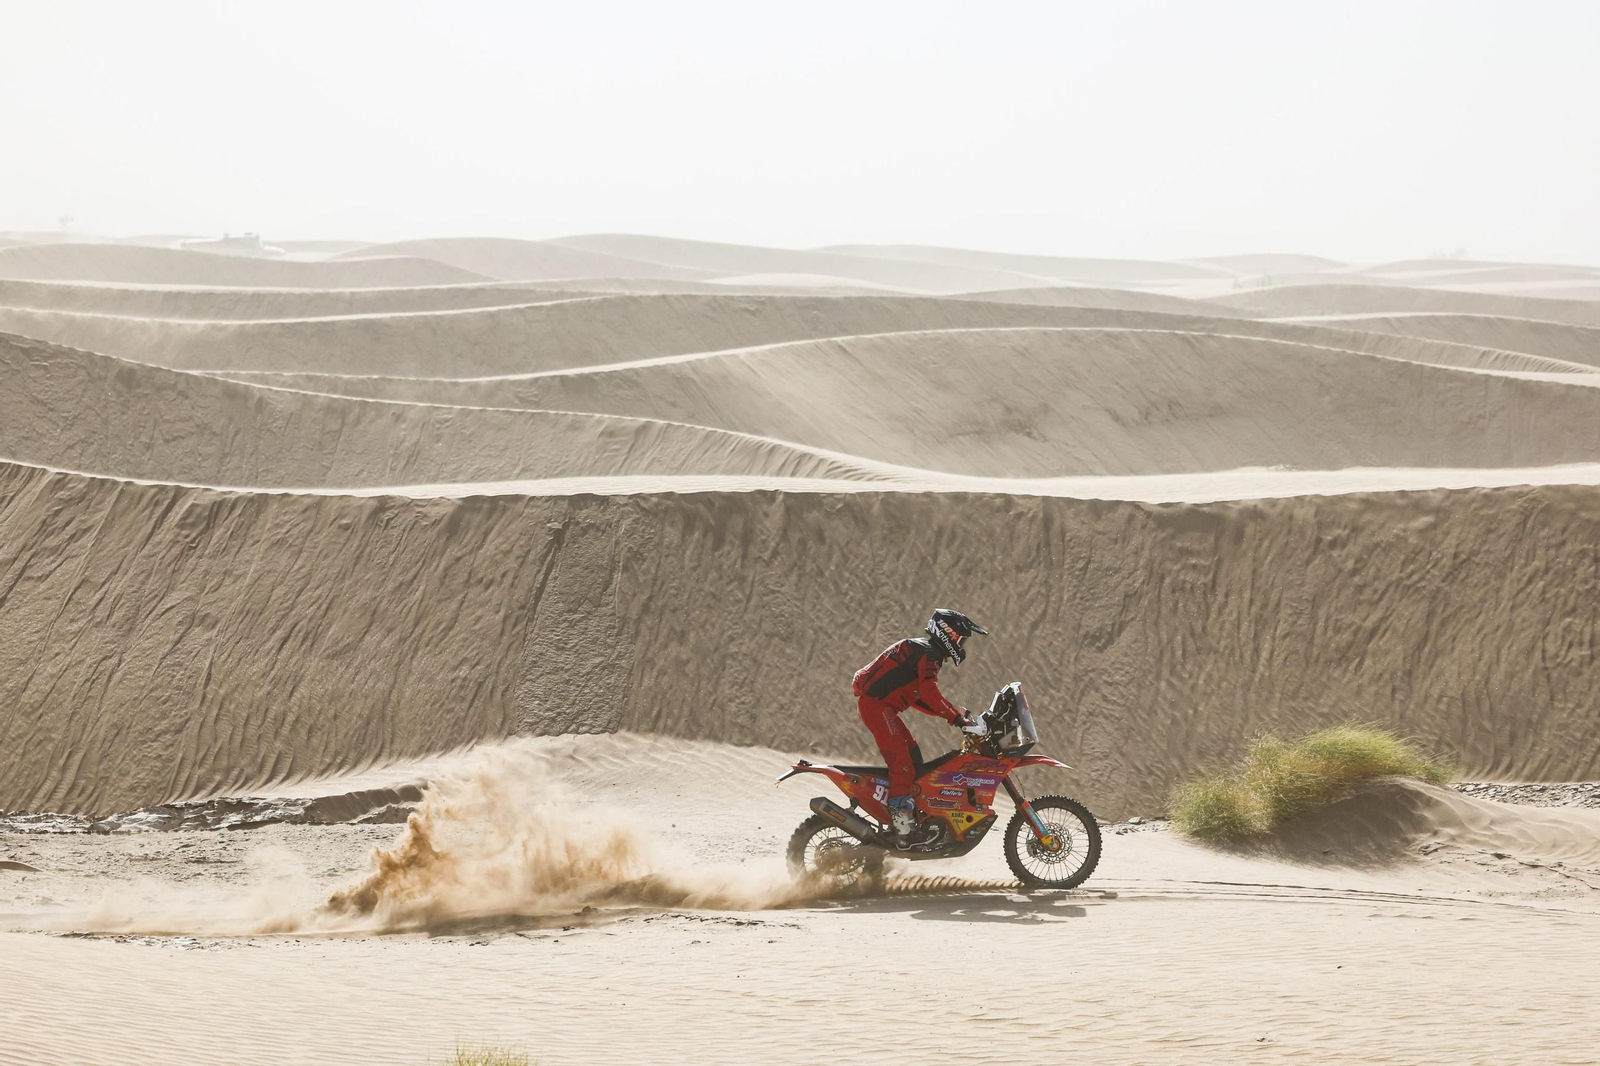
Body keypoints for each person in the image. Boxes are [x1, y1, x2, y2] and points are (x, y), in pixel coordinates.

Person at [852, 609, 988, 846]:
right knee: (902, 763)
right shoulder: (928, 653)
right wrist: (955, 719)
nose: (963, 645)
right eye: (961, 639)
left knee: (913, 757)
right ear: (949, 634)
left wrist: (956, 715)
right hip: (876, 707)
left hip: (882, 708)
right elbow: (928, 693)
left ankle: (907, 811)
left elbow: (920, 698)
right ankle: (902, 828)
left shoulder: (925, 651)